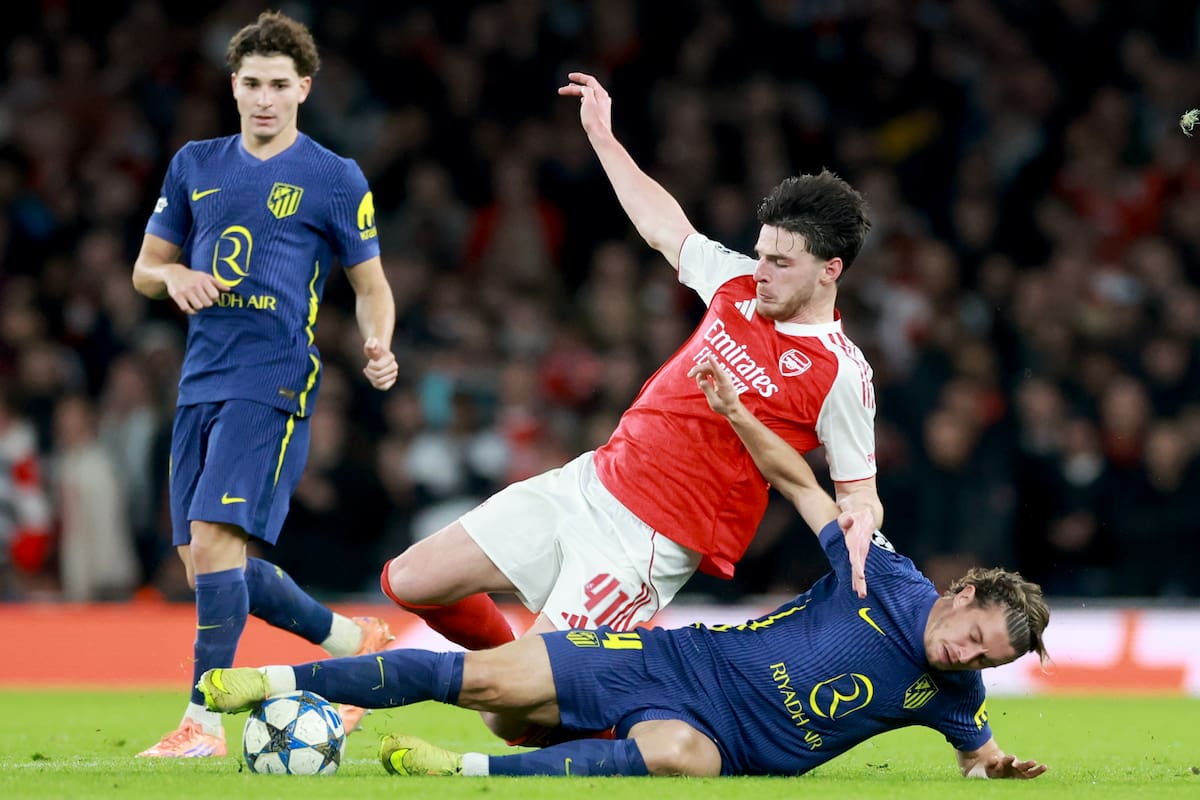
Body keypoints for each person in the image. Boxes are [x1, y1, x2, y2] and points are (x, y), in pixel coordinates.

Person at [196, 356, 1049, 779]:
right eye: (974, 635)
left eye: (985, 660)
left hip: (722, 741)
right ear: (962, 591)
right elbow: (800, 483)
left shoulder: (954, 694)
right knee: (488, 685)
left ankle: (455, 771)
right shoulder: (884, 574)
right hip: (679, 660)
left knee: (677, 754)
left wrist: (991, 767)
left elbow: (979, 754)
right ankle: (274, 682)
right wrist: (743, 418)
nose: (966, 656)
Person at [380, 71, 883, 742]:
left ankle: (624, 724)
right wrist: (602, 137)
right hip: (587, 483)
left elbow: (859, 491)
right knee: (410, 579)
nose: (760, 271)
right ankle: (528, 670)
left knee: (508, 721)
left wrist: (858, 536)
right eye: (760, 253)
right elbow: (661, 227)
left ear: (830, 270)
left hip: (645, 544)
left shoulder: (841, 374)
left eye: (781, 263)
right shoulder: (736, 284)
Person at [131, 11, 399, 758]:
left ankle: (201, 722)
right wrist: (175, 272)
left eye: (280, 85)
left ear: (304, 88)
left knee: (218, 544)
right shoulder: (194, 163)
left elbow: (372, 286)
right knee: (207, 567)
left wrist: (378, 340)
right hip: (199, 382)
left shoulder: (334, 177)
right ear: (234, 85)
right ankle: (355, 640)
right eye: (251, 83)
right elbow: (144, 270)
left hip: (274, 376)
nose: (264, 99)